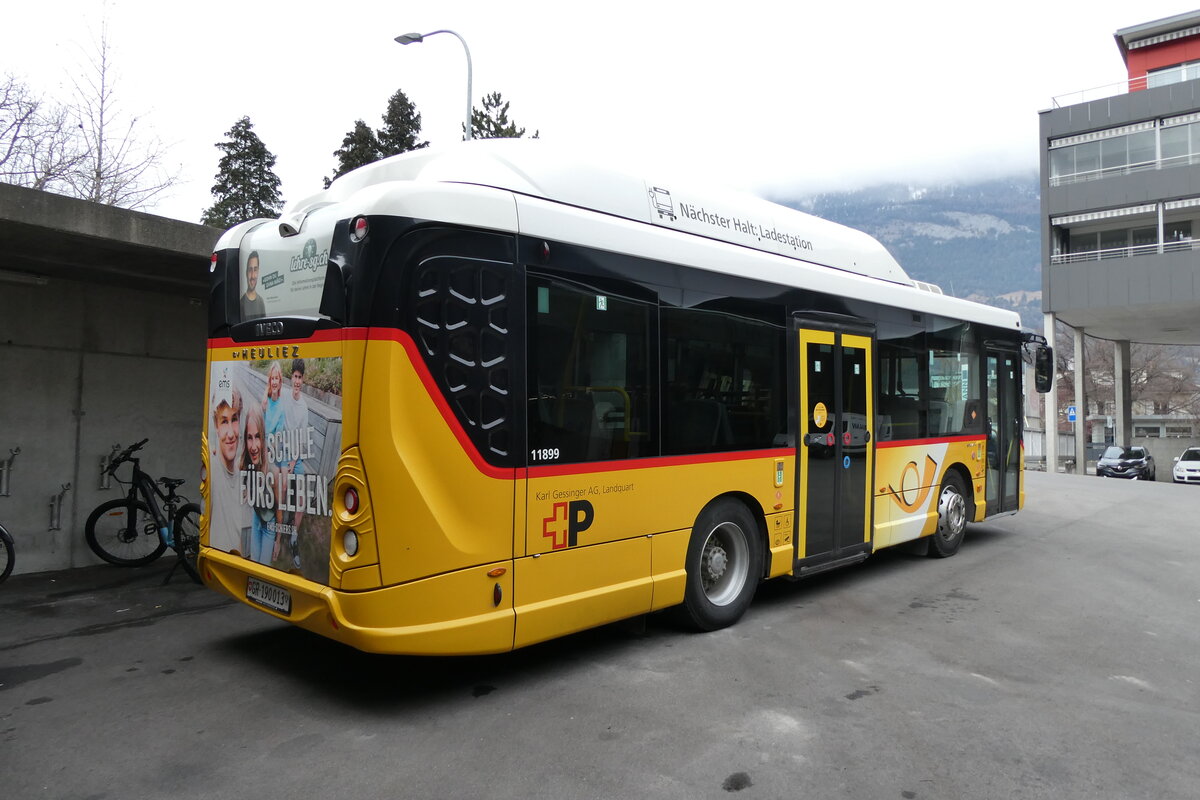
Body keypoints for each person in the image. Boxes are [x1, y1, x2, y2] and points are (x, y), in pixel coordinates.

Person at [208, 377, 246, 555]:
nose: (231, 433)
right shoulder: (212, 468)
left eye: (234, 419)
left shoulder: (242, 475)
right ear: (216, 426)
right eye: (224, 422)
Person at [280, 358, 310, 567]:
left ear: (303, 379)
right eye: (295, 376)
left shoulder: (304, 407)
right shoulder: (282, 397)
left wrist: (292, 462)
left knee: (301, 502)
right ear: (291, 377)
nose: (297, 381)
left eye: (300, 377)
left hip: (296, 458)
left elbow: (302, 440)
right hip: (281, 453)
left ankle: (293, 539)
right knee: (280, 493)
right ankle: (278, 533)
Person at [240, 401, 277, 565]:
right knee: (255, 562)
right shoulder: (247, 464)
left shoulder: (272, 471)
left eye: (258, 437)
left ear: (263, 438)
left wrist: (279, 539)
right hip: (257, 518)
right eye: (249, 437)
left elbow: (279, 509)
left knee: (264, 564)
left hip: (270, 524)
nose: (253, 446)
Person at [240, 251, 267, 321]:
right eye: (250, 270)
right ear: (246, 273)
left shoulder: (261, 302)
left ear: (258, 272)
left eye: (255, 270)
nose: (252, 276)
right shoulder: (241, 303)